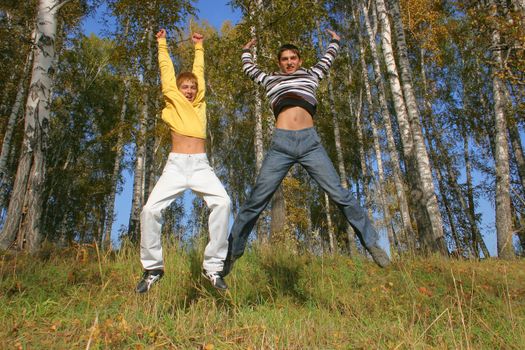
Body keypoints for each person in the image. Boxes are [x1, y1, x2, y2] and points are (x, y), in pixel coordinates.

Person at [220, 30, 390, 278]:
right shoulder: (271, 80)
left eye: (293, 58)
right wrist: (246, 51)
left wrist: (335, 42)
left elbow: (327, 59)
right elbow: (249, 69)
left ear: (299, 60)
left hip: (310, 143)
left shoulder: (312, 75)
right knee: (256, 199)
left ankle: (372, 243)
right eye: (284, 59)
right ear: (279, 63)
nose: (289, 62)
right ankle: (231, 253)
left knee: (340, 194)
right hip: (281, 144)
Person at [136, 29, 231, 293]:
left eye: (192, 87)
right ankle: (153, 268)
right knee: (149, 211)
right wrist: (162, 43)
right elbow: (166, 70)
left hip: (201, 165)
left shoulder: (200, 103)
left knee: (223, 203)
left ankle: (213, 268)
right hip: (176, 165)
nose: (189, 90)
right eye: (185, 87)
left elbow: (198, 73)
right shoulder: (172, 99)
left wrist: (199, 47)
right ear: (177, 90)